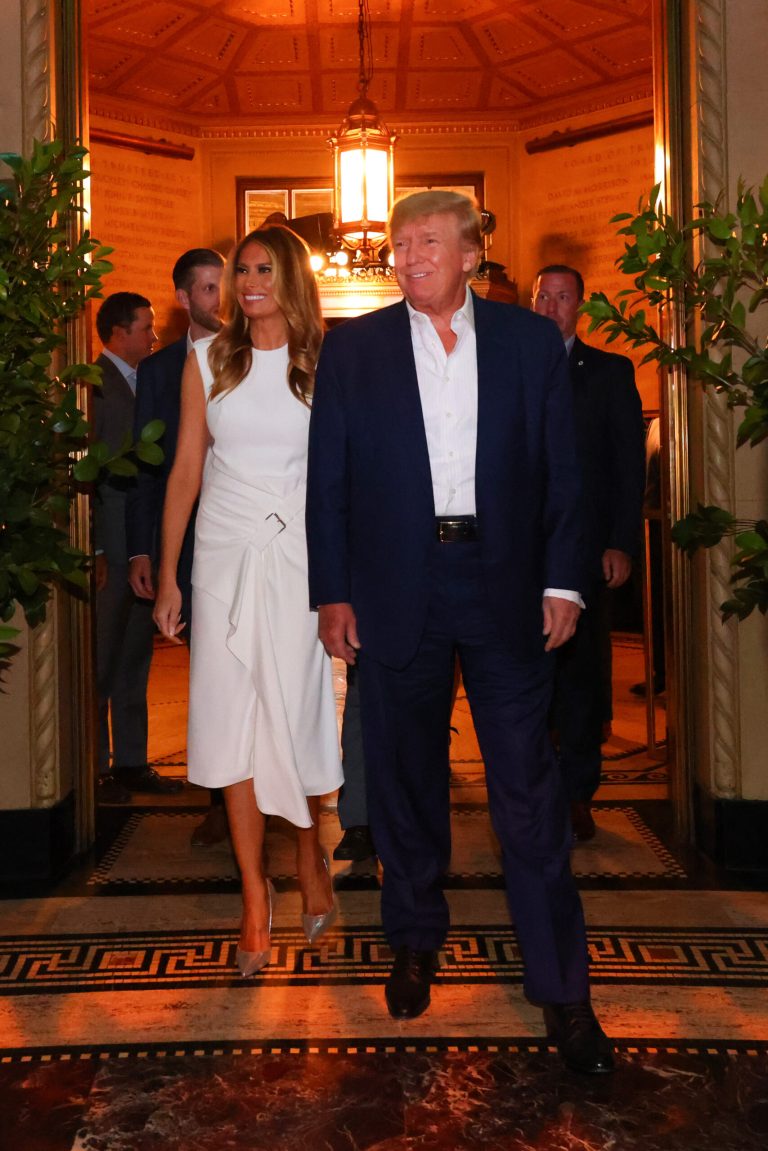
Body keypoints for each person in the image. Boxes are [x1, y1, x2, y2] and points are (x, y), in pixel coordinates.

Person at [306, 191, 614, 1074]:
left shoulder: (524, 343)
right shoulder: (356, 349)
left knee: (528, 791)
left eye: (428, 243)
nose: (407, 258)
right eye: (400, 246)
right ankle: (412, 937)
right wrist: (334, 593)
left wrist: (564, 578)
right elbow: (329, 481)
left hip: (506, 586)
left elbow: (564, 471)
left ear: (473, 255)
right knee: (404, 778)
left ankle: (562, 990)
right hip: (396, 587)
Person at [153, 225, 343, 975]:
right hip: (223, 558)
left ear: (291, 275)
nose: (250, 280)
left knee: (294, 718)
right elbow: (185, 472)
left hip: (299, 559)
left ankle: (308, 857)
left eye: (265, 268)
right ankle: (254, 896)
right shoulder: (207, 359)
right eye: (242, 270)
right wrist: (168, 575)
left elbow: (345, 473)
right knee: (231, 723)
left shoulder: (328, 359)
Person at [532, 266, 646, 840]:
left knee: (581, 676)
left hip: (584, 550)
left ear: (580, 306)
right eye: (542, 297)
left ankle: (577, 794)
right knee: (526, 677)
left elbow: (628, 465)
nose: (551, 307)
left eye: (562, 298)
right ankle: (532, 793)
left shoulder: (608, 372)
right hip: (520, 555)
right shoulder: (509, 368)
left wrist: (621, 542)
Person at [126, 248, 230, 845]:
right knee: (210, 673)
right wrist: (145, 552)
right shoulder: (163, 371)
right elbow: (148, 466)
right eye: (210, 288)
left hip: (257, 533)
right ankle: (221, 800)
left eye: (227, 284)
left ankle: (276, 799)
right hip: (190, 543)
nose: (223, 297)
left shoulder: (258, 353)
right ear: (185, 298)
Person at [92, 292, 183, 803]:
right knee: (101, 664)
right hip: (111, 549)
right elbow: (87, 480)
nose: (152, 337)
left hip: (140, 549)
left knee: (134, 657)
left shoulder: (143, 381)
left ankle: (131, 762)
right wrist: (101, 552)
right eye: (145, 328)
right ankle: (96, 769)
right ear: (120, 332)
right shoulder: (94, 387)